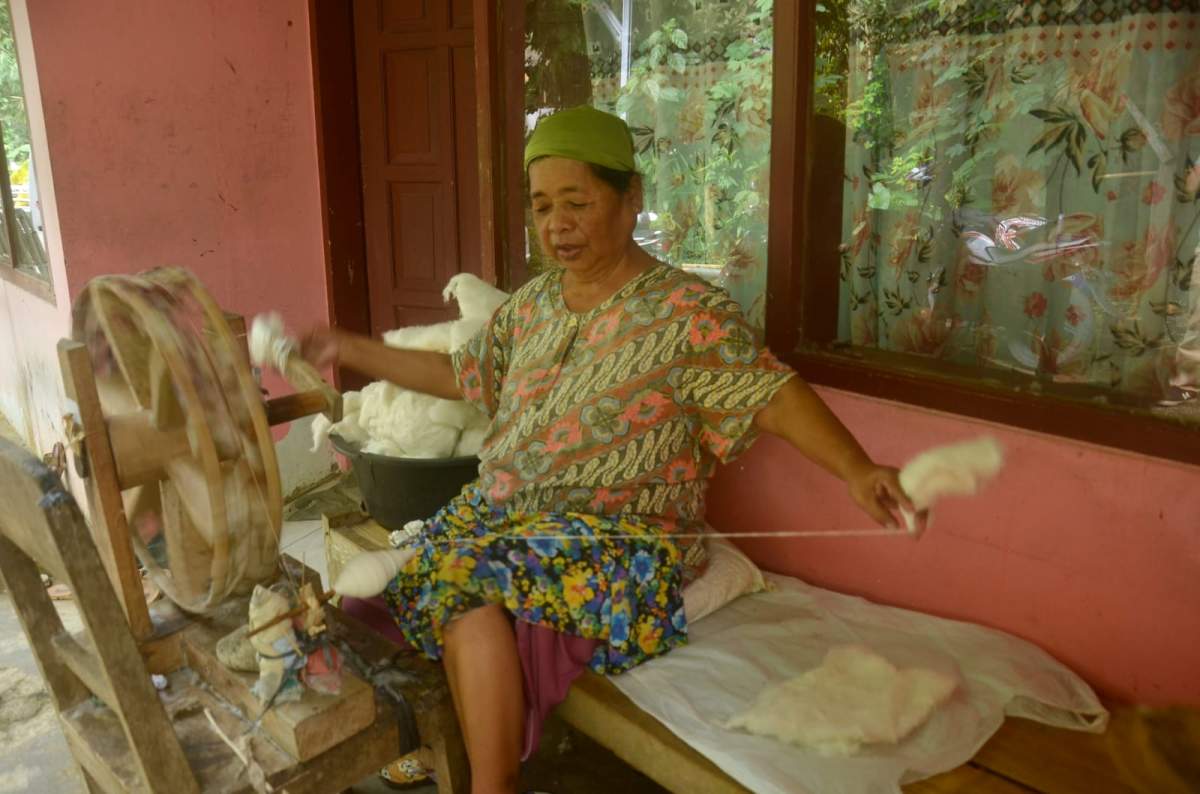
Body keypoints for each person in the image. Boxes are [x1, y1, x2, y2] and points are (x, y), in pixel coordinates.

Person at [302, 105, 916, 794]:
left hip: (621, 535)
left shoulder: (687, 312)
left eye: (576, 202)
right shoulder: (530, 307)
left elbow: (770, 395)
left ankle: (494, 783)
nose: (556, 224)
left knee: (462, 578)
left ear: (631, 200)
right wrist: (353, 349)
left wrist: (857, 469)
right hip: (506, 514)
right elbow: (461, 376)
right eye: (541, 207)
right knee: (382, 598)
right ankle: (448, 733)